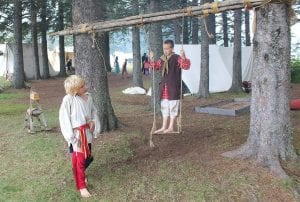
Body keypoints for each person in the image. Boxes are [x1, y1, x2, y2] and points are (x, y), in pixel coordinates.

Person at [59, 75, 100, 198]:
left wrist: (94, 123)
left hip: (87, 132)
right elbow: (64, 118)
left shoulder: (89, 97)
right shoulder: (68, 100)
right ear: (75, 89)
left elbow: (94, 111)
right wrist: (71, 137)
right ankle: (82, 186)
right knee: (80, 161)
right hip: (77, 136)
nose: (85, 87)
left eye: (84, 85)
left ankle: (78, 172)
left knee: (88, 158)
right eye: (82, 86)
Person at [145, 39, 190, 134]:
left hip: (174, 87)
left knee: (173, 106)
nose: (165, 50)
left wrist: (183, 56)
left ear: (172, 48)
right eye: (164, 48)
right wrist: (151, 59)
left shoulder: (177, 58)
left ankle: (171, 127)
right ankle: (164, 126)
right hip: (164, 87)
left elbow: (186, 66)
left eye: (167, 48)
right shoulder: (162, 59)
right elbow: (154, 66)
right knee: (164, 107)